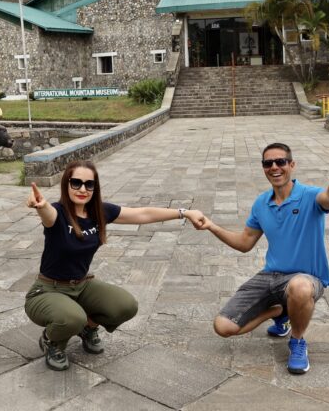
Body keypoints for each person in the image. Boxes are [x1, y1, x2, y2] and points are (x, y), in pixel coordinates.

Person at [24, 159, 205, 371]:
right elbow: (47, 214)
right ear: (67, 184)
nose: (83, 189)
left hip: (81, 285)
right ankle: (52, 341)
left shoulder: (99, 212)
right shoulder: (57, 213)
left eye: (89, 184)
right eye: (76, 183)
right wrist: (41, 205)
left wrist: (184, 212)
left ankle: (88, 328)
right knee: (72, 318)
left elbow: (142, 214)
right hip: (47, 290)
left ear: (95, 188)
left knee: (125, 306)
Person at [196, 142, 329, 374]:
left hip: (307, 279)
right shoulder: (262, 203)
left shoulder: (309, 196)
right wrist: (211, 226)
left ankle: (298, 341)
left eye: (280, 161)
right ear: (263, 168)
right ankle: (279, 312)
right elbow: (244, 243)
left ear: (291, 165)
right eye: (268, 163)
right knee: (223, 326)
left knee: (299, 287)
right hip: (270, 277)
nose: (274, 167)